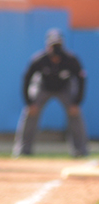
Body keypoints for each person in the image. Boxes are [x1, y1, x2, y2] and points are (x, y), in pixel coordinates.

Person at [13, 28, 89, 158]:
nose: (56, 50)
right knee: (29, 112)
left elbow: (81, 79)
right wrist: (29, 102)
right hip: (43, 86)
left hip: (65, 88)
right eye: (53, 46)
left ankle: (80, 150)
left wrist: (76, 102)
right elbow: (27, 78)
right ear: (47, 46)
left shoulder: (70, 59)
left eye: (58, 46)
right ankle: (22, 150)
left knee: (75, 114)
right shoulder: (39, 59)